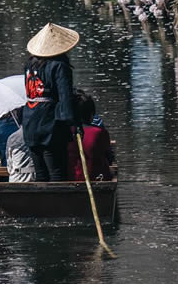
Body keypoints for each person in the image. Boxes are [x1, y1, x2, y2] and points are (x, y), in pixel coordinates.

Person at [22, 22, 80, 182]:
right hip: (50, 124)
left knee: (40, 174)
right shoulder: (60, 66)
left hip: (30, 121)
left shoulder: (29, 64)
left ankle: (41, 206)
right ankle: (59, 206)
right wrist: (73, 123)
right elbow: (65, 97)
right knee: (57, 173)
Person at [67, 90, 114, 182]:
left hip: (71, 178)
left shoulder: (65, 132)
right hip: (97, 178)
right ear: (91, 114)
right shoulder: (100, 132)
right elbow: (109, 158)